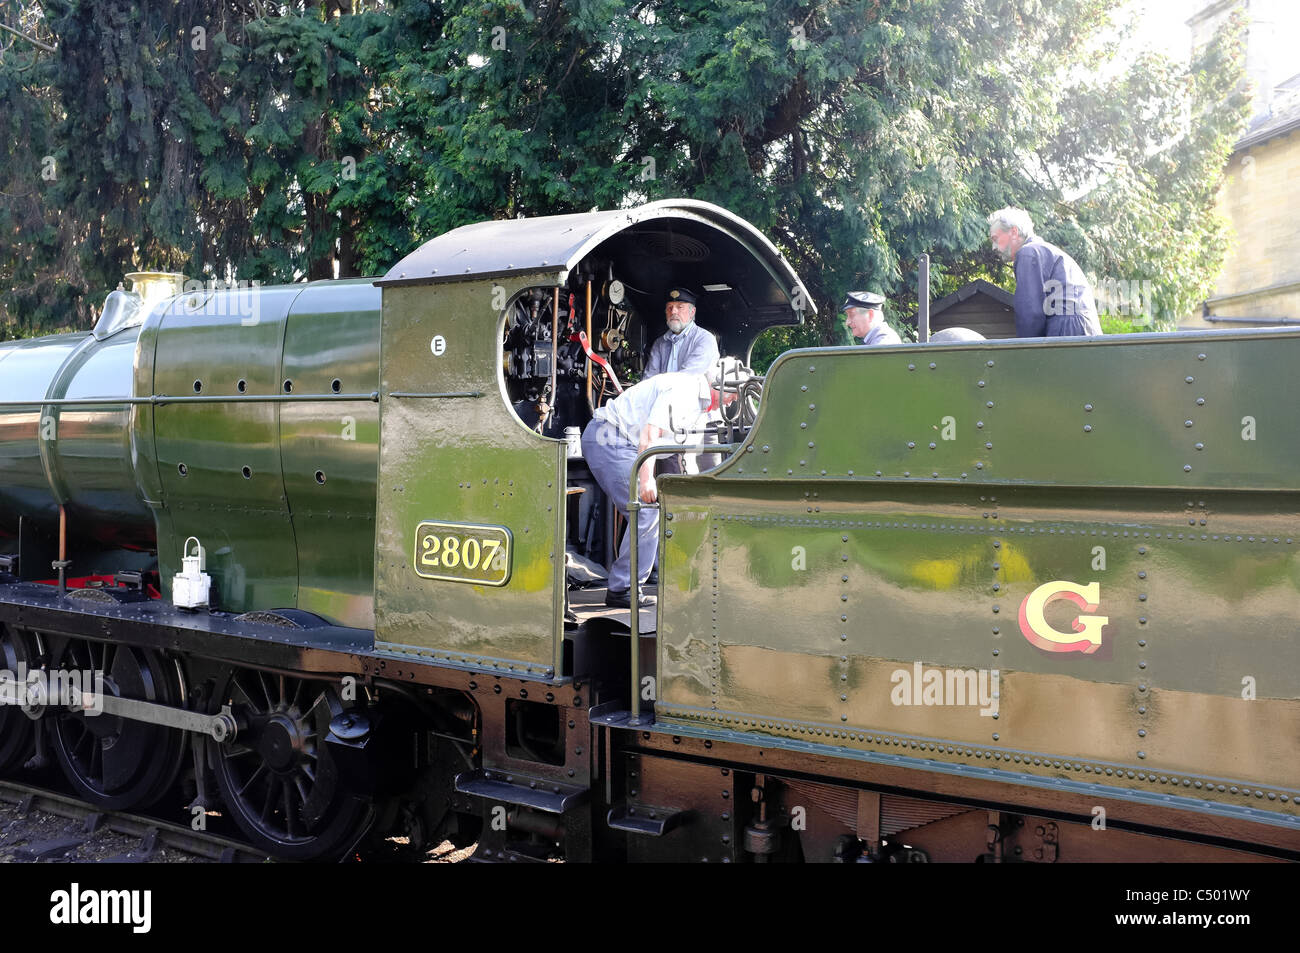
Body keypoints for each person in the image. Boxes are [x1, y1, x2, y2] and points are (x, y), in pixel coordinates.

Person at [581, 357, 747, 609]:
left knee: (660, 510)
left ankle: (664, 575)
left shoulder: (702, 411)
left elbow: (686, 455)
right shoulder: (684, 391)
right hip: (610, 438)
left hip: (627, 444)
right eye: (733, 392)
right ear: (717, 385)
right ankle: (622, 589)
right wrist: (646, 480)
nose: (733, 399)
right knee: (646, 512)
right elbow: (649, 435)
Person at [987, 207, 1102, 338]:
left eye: (995, 239)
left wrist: (1022, 351)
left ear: (1014, 231)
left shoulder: (1028, 253)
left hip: (1066, 331)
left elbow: (1030, 313)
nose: (994, 247)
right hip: (1083, 331)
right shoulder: (1043, 251)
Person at [643, 287, 719, 378]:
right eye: (669, 308)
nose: (673, 311)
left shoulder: (704, 340)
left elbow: (687, 379)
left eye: (680, 307)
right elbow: (648, 379)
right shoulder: (659, 343)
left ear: (692, 312)